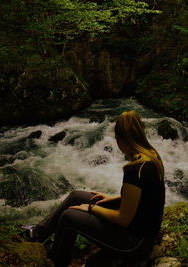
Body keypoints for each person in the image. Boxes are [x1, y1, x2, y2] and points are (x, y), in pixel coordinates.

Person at [23, 110, 165, 267]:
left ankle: (58, 259)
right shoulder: (152, 156)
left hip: (134, 243)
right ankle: (37, 234)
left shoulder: (135, 170)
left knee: (69, 216)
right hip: (139, 229)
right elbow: (145, 198)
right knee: (76, 196)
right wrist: (111, 199)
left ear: (121, 139)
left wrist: (91, 208)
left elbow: (123, 219)